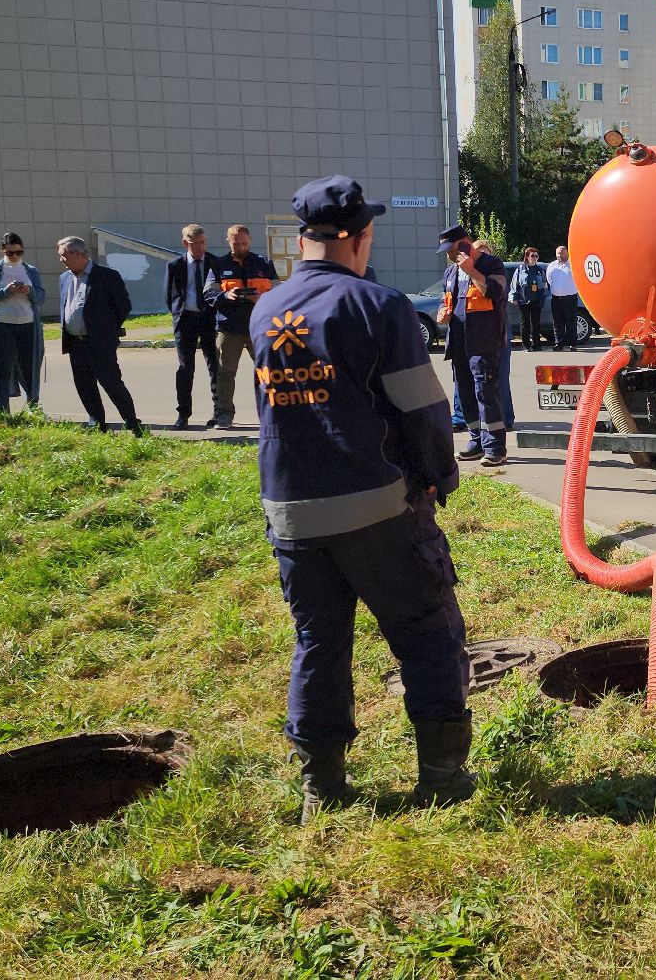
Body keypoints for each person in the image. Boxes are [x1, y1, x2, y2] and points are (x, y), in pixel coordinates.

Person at [255, 175, 474, 822]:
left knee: (319, 642)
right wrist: (438, 476)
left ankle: (321, 789)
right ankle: (442, 776)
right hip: (377, 507)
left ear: (303, 239)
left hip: (292, 511)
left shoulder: (266, 309)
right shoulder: (380, 307)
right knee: (427, 630)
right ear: (359, 237)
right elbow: (424, 410)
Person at [57, 236, 144, 436]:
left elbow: (123, 306)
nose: (61, 259)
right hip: (75, 343)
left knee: (112, 383)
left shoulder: (106, 276)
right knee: (85, 386)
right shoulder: (64, 278)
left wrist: (106, 330)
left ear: (78, 254)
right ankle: (97, 423)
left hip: (99, 343)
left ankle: (132, 422)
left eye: (63, 255)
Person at [437, 227, 509, 466]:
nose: (449, 255)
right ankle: (475, 441)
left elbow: (497, 292)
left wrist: (472, 270)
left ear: (465, 243)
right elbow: (444, 299)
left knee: (486, 394)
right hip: (459, 345)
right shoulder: (450, 272)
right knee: (466, 396)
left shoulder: (491, 264)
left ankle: (495, 447)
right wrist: (442, 313)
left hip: (483, 344)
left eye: (452, 249)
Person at [203, 224, 277, 428]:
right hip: (229, 328)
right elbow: (208, 294)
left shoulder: (264, 263)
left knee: (269, 372)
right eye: (236, 244)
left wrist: (261, 298)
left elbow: (279, 291)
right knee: (225, 373)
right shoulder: (218, 265)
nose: (241, 247)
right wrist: (227, 295)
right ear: (228, 242)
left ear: (250, 241)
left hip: (259, 327)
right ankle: (224, 415)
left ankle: (274, 413)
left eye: (244, 243)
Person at [0, 232, 45, 414]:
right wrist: (6, 291)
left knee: (30, 367)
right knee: (2, 367)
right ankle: (4, 410)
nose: (15, 256)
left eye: (19, 252)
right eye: (10, 253)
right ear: (2, 250)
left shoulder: (31, 270)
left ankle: (33, 406)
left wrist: (28, 290)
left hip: (28, 324)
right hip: (2, 324)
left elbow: (40, 297)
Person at [165, 224, 220, 428]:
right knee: (185, 368)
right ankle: (183, 414)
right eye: (195, 243)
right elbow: (169, 296)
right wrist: (179, 314)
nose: (200, 247)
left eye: (203, 242)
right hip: (185, 320)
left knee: (215, 366)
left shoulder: (215, 263)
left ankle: (218, 412)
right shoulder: (175, 266)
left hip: (209, 320)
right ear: (185, 243)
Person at [511, 247, 550, 351]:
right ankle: (526, 345)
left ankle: (537, 344)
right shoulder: (520, 269)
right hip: (524, 300)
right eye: (532, 256)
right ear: (527, 257)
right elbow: (514, 284)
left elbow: (545, 286)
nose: (534, 258)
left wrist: (543, 296)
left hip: (537, 300)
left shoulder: (540, 270)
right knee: (525, 323)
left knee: (536, 323)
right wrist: (514, 297)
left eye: (536, 256)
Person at [546, 244, 581, 350]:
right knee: (557, 322)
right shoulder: (552, 266)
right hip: (556, 299)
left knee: (571, 322)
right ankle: (559, 343)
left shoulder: (573, 265)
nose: (560, 255)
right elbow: (549, 280)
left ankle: (572, 344)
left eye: (562, 253)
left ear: (567, 253)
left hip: (570, 298)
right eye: (558, 253)